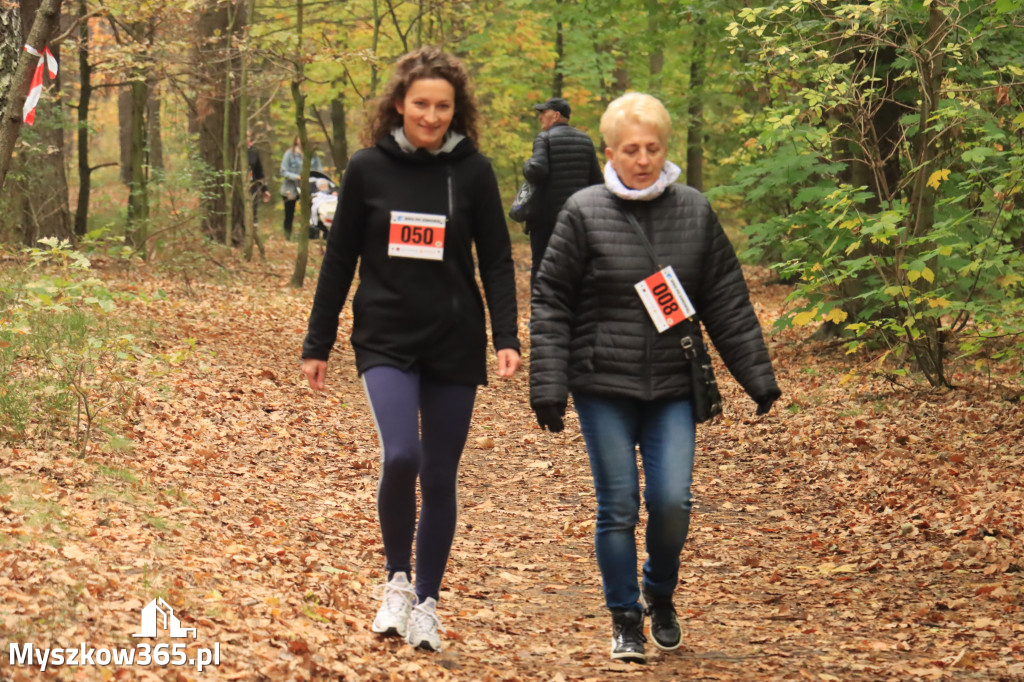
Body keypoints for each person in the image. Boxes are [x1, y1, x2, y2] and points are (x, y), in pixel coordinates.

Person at [529, 93, 781, 664]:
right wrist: (548, 386)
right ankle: (624, 616)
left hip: (671, 385)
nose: (642, 159)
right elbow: (551, 301)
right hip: (601, 384)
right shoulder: (583, 210)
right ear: (610, 152)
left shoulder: (693, 209)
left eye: (653, 148)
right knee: (617, 504)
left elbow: (727, 300)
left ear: (665, 150)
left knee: (672, 502)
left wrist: (756, 378)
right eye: (630, 149)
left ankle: (658, 593)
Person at [301, 46, 521, 653]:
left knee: (441, 473)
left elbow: (497, 261)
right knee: (401, 454)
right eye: (421, 104)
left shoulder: (473, 172)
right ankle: (395, 579)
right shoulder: (368, 168)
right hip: (386, 336)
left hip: (454, 339)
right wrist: (317, 342)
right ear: (399, 104)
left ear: (457, 110)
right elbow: (340, 259)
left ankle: (426, 600)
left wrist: (507, 335)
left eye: (443, 107)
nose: (431, 116)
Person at [522, 96, 603, 286]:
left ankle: (541, 313)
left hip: (545, 220)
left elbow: (537, 170)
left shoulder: (544, 138)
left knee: (541, 266)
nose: (540, 117)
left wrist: (527, 164)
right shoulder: (585, 140)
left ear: (556, 115)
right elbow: (597, 183)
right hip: (575, 219)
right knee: (573, 267)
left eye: (544, 113)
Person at [279, 136, 323, 240]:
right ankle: (287, 237)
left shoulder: (313, 154)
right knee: (289, 214)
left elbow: (319, 170)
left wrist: (320, 181)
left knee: (311, 212)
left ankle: (310, 235)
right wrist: (297, 177)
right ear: (296, 140)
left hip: (309, 188)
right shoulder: (290, 154)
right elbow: (283, 171)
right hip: (291, 188)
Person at [247, 132, 271, 223]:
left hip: (252, 185)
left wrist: (265, 189)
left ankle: (253, 232)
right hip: (238, 186)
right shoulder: (235, 152)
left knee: (253, 209)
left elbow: (259, 172)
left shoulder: (254, 151)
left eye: (248, 136)